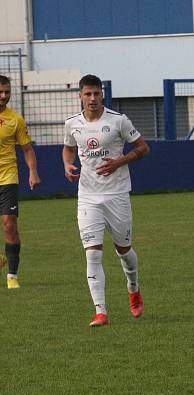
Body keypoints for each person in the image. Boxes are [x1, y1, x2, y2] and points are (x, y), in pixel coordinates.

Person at [62, 74, 150, 326]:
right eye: (87, 94)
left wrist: (121, 161)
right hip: (88, 196)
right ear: (80, 95)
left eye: (96, 94)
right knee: (92, 254)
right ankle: (101, 311)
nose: (92, 98)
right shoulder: (72, 124)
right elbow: (68, 147)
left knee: (123, 250)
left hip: (117, 193)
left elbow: (143, 148)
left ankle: (133, 287)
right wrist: (67, 165)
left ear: (102, 95)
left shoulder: (118, 121)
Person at [0, 75, 41, 288]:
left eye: (7, 91)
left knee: (9, 224)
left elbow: (27, 149)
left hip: (8, 178)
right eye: (0, 92)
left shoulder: (15, 119)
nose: (4, 96)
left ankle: (12, 276)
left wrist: (32, 172)